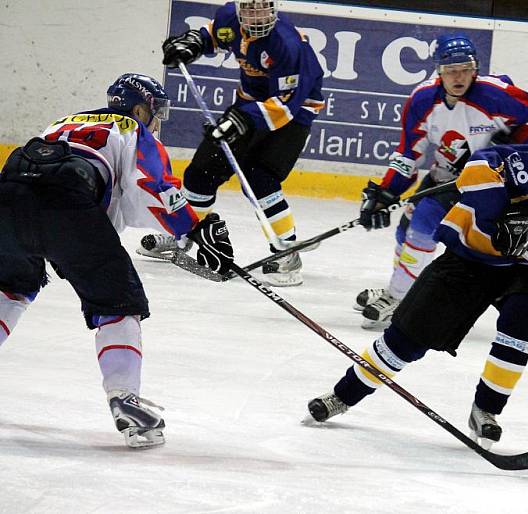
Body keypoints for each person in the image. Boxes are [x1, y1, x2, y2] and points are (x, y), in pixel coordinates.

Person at [308, 139, 528, 448]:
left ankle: (486, 410)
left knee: (526, 317)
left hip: (526, 266)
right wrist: (496, 216)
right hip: (471, 254)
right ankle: (344, 395)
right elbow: (480, 165)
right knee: (408, 338)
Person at [0, 73, 234, 448]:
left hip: (7, 199)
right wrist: (193, 227)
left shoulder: (64, 122)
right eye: (156, 113)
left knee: (10, 287)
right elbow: (151, 186)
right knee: (118, 304)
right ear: (140, 109)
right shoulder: (134, 130)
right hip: (67, 204)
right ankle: (124, 400)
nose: (157, 121)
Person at [354, 33, 528, 329]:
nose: (458, 77)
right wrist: (387, 191)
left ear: (475, 69)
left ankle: (397, 299)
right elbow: (409, 152)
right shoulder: (422, 101)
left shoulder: (495, 94)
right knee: (406, 229)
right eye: (451, 70)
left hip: (487, 181)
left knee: (424, 222)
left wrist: (510, 143)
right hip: (446, 175)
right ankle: (407, 292)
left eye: (465, 69)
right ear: (439, 71)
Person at [138, 0, 324, 286]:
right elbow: (212, 35)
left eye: (264, 9)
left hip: (295, 111)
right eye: (250, 9)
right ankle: (183, 235)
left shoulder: (287, 45)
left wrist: (241, 122)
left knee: (260, 177)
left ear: (273, 10)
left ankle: (287, 251)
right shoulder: (228, 19)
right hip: (248, 105)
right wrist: (192, 44)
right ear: (238, 10)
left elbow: (286, 104)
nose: (257, 16)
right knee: (201, 171)